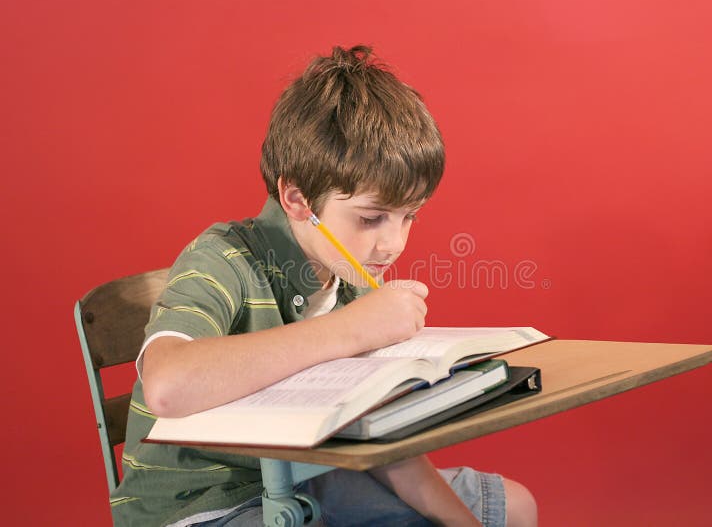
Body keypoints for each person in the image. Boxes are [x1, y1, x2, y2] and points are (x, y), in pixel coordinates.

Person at [111, 45, 537, 527]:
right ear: (297, 199)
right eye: (371, 218)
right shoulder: (223, 258)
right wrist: (350, 331)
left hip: (315, 480)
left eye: (409, 217)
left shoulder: (350, 278)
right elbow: (167, 387)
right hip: (208, 506)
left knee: (513, 507)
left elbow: (384, 447)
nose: (392, 244)